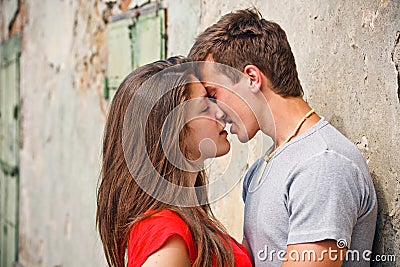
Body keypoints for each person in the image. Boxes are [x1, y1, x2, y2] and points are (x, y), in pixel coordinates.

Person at [188, 8, 377, 266]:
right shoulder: (262, 168)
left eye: (214, 93)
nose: (217, 112)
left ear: (251, 78)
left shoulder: (322, 164)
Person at [96, 56, 252, 267]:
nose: (220, 112)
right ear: (171, 132)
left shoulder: (184, 222)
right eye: (205, 108)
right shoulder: (166, 232)